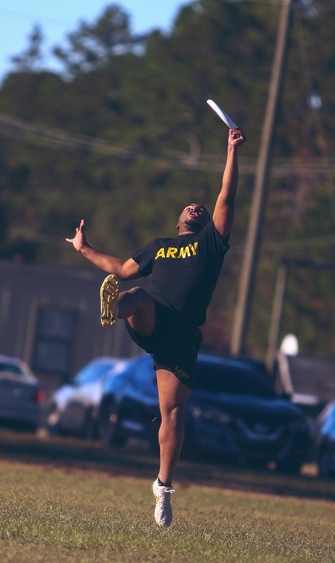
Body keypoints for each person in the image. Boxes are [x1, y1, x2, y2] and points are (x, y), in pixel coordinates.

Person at [66, 127, 246, 527]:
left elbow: (226, 196)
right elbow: (121, 268)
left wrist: (231, 151)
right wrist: (84, 248)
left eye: (200, 208)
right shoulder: (159, 245)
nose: (195, 208)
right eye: (189, 207)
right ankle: (116, 303)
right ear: (179, 219)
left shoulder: (211, 245)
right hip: (150, 315)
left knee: (173, 415)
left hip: (181, 338)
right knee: (138, 293)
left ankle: (163, 488)